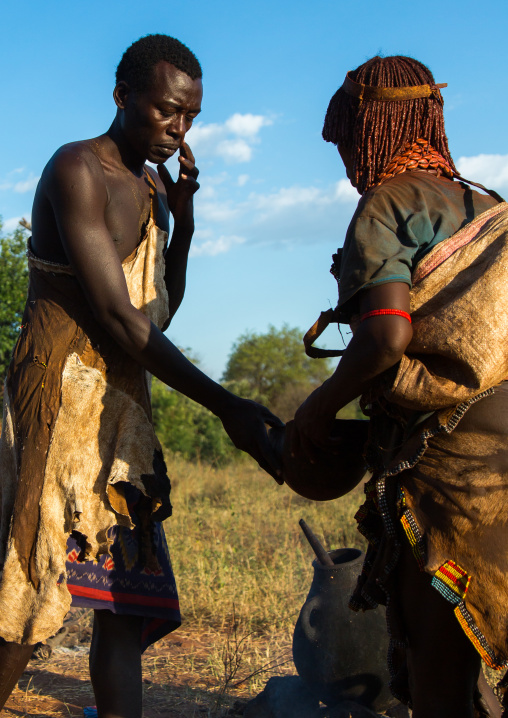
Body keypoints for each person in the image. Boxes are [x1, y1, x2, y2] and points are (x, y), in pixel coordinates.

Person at [0, 34, 282, 716]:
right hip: (57, 401)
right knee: (26, 590)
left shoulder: (153, 188)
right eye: (165, 111)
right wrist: (228, 407)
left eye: (189, 116)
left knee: (124, 605)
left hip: (119, 411)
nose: (178, 128)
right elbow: (118, 320)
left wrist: (182, 226)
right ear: (123, 96)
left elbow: (157, 311)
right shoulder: (77, 171)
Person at [291, 56, 508, 718]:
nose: (349, 161)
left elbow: (386, 340)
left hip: (451, 476)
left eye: (349, 140)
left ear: (370, 130)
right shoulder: (493, 209)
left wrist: (314, 411)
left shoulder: (386, 204)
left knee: (439, 685)